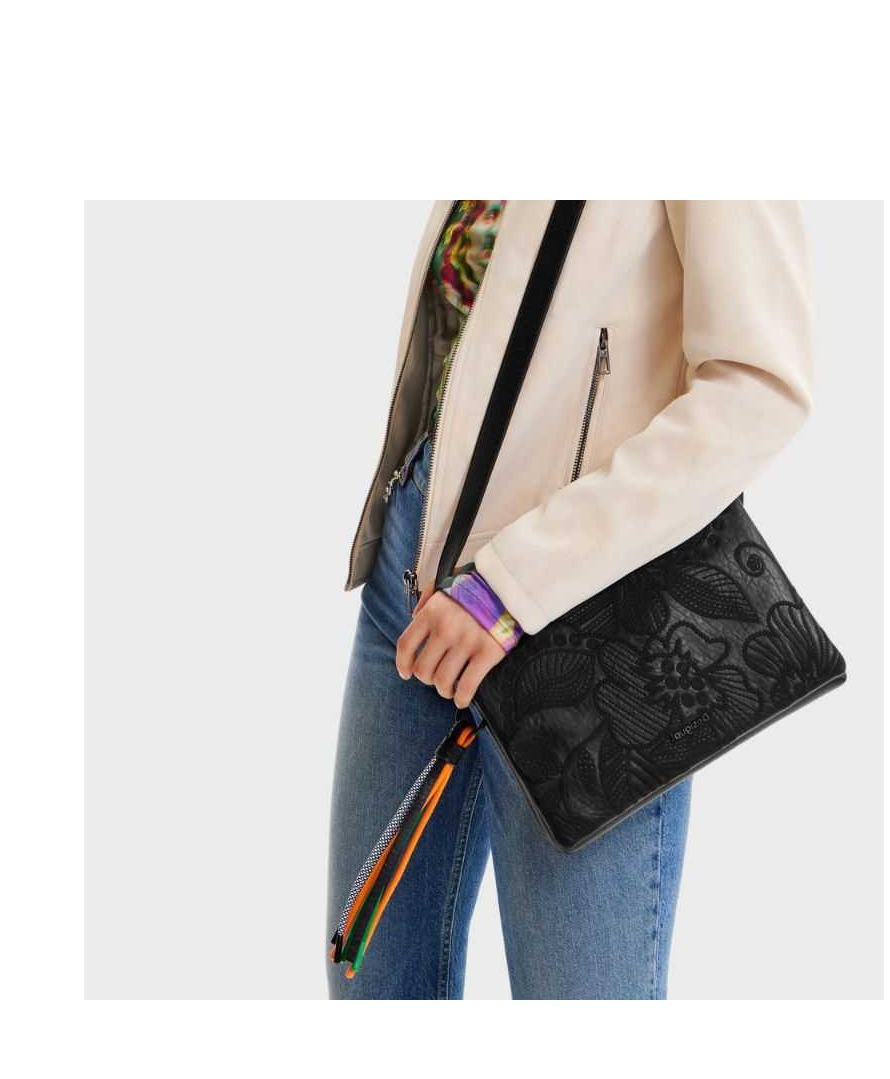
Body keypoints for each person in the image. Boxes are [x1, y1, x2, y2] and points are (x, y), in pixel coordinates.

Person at [327, 200, 814, 999]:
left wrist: (515, 581)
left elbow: (759, 384)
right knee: (372, 983)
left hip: (581, 619)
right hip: (415, 584)